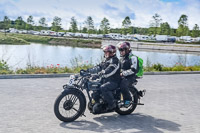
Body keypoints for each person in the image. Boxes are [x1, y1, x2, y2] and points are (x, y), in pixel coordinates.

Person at [88, 45, 121, 110]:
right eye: (105, 52)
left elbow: (110, 70)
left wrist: (100, 74)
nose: (105, 53)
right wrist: (88, 71)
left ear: (112, 53)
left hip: (114, 81)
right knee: (95, 87)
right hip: (105, 80)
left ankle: (112, 104)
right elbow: (99, 67)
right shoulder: (106, 60)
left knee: (103, 88)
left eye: (107, 52)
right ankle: (99, 102)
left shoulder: (115, 61)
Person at [117, 42, 138, 107]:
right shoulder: (122, 58)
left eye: (122, 50)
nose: (121, 52)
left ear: (127, 50)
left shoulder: (133, 58)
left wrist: (123, 73)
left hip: (131, 77)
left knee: (123, 84)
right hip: (123, 76)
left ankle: (128, 100)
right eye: (120, 50)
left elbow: (133, 69)